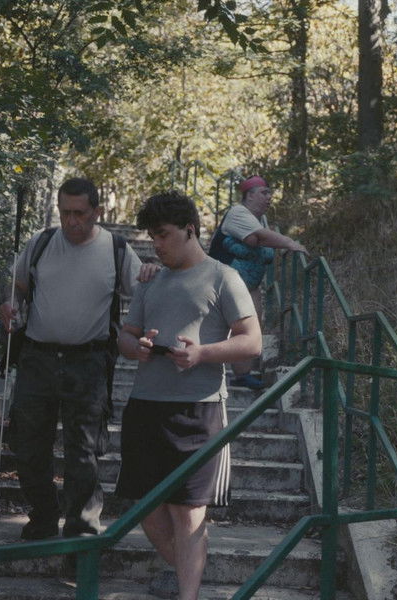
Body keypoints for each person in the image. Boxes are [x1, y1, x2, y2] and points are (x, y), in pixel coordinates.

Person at [116, 191, 262, 600]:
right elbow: (125, 336)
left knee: (189, 513)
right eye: (152, 237)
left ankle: (188, 594)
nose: (156, 245)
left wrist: (202, 353)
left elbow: (252, 342)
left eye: (162, 235)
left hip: (200, 410)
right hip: (145, 407)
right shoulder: (150, 280)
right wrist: (137, 347)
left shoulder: (223, 277)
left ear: (190, 230)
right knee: (145, 510)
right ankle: (187, 577)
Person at [0, 177, 157, 540]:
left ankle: (81, 532)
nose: (72, 221)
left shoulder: (115, 249)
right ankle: (43, 515)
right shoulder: (41, 243)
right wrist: (9, 303)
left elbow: (146, 293)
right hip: (36, 358)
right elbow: (16, 286)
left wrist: (152, 274)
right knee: (27, 445)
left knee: (84, 452)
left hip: (88, 362)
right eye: (65, 212)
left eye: (80, 213)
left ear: (96, 212)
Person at [209, 175, 308, 390]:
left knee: (251, 327)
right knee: (219, 328)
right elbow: (260, 238)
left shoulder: (260, 219)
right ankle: (205, 371)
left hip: (249, 284)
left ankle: (242, 375)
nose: (269, 197)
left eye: (269, 193)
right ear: (249, 195)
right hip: (224, 282)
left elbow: (261, 242)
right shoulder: (238, 213)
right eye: (264, 192)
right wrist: (290, 243)